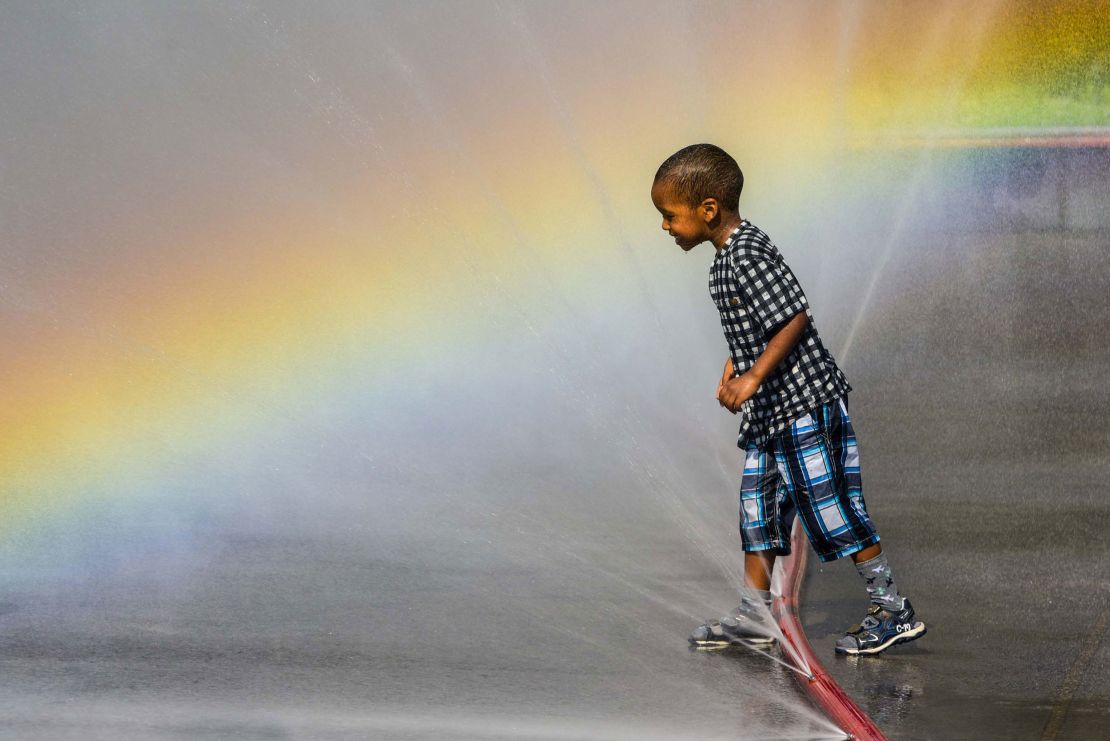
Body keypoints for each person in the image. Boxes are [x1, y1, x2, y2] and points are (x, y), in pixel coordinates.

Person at [649, 143, 926, 655]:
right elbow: (758, 325)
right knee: (757, 510)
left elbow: (794, 316)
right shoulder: (724, 261)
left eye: (669, 216)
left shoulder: (747, 253)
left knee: (831, 508)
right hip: (771, 415)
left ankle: (892, 609)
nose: (665, 227)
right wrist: (737, 365)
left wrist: (753, 376)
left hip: (802, 403)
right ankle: (756, 615)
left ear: (708, 210)